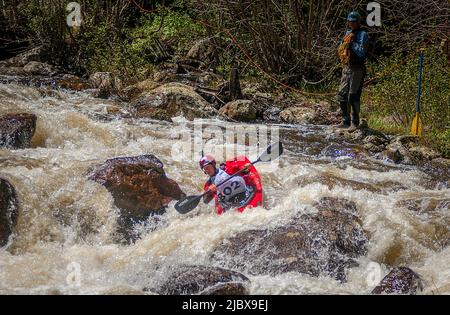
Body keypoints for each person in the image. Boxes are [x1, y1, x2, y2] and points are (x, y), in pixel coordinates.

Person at [336, 11, 369, 132]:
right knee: (342, 94)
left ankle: (355, 122)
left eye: (354, 21)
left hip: (357, 69)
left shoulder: (363, 34)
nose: (351, 23)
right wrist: (344, 47)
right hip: (347, 68)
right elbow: (341, 47)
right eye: (350, 21)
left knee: (353, 95)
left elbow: (362, 52)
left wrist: (352, 45)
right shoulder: (347, 33)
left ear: (358, 22)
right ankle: (345, 121)